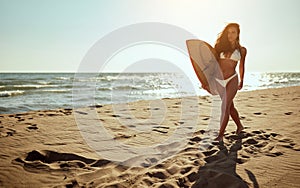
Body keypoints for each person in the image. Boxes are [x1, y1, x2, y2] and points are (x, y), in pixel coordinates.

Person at [213, 23, 247, 141]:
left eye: (233, 32)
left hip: (232, 79)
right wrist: (205, 80)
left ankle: (220, 135)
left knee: (225, 106)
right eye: (228, 32)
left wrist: (242, 80)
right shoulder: (219, 47)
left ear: (238, 34)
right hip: (219, 80)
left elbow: (241, 66)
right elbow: (211, 64)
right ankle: (240, 126)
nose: (230, 35)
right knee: (230, 106)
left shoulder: (242, 50)